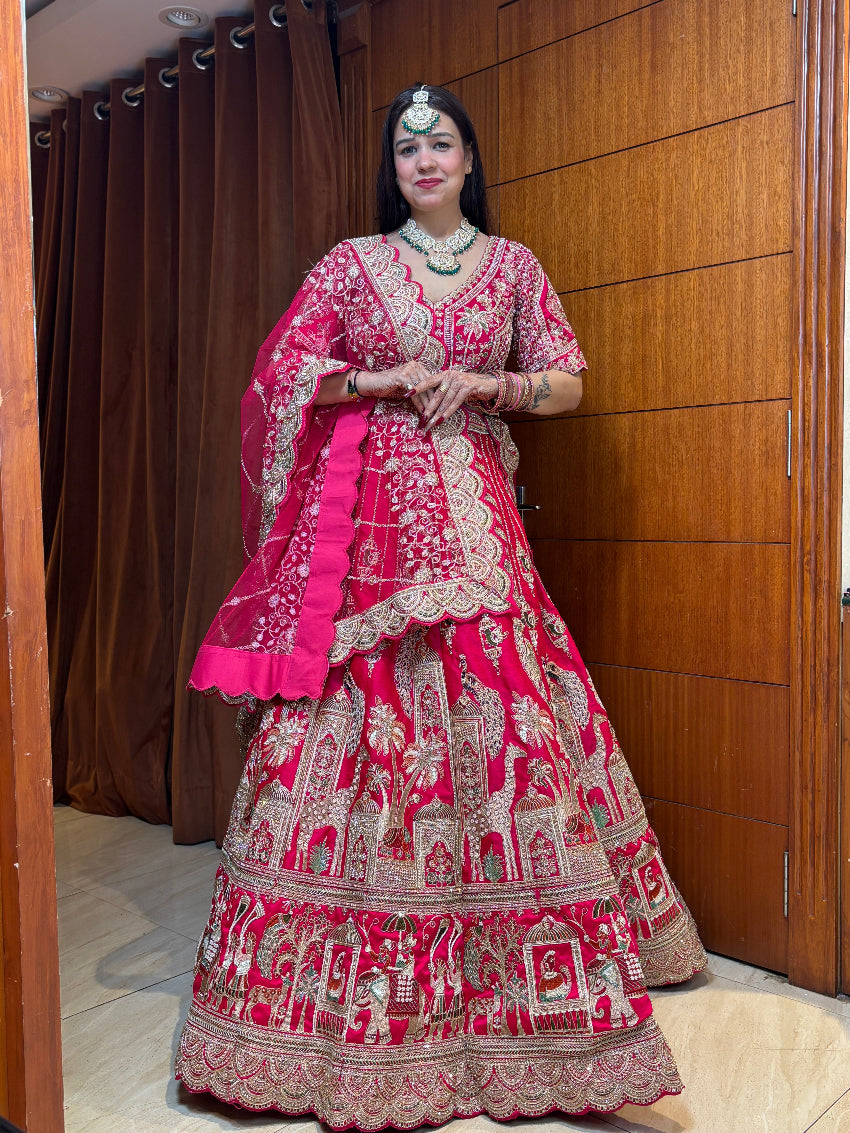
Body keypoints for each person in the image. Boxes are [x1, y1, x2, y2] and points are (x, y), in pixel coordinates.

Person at [175, 83, 706, 1126]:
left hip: (477, 516)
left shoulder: (514, 270)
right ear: (396, 162)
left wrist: (483, 387)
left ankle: (526, 986)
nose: (422, 158)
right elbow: (285, 373)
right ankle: (318, 989)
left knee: (508, 715)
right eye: (406, 145)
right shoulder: (348, 263)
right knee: (348, 714)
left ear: (469, 159)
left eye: (441, 143)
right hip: (366, 525)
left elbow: (566, 381)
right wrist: (377, 383)